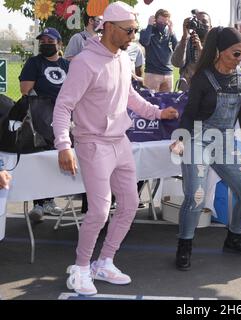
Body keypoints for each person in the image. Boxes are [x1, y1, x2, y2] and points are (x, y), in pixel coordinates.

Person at [53, 1, 178, 296]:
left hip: (120, 142)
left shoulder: (122, 58)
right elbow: (63, 105)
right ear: (108, 27)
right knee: (98, 211)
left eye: (135, 29)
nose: (133, 35)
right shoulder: (85, 62)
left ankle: (105, 261)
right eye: (129, 30)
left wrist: (158, 113)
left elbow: (129, 96)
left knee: (130, 204)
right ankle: (81, 268)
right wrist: (63, 145)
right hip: (93, 143)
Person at [171, 26, 241, 271]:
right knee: (196, 197)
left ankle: (234, 237)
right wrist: (180, 139)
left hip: (225, 142)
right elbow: (189, 114)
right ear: (220, 52)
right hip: (198, 139)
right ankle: (184, 246)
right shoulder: (203, 77)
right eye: (236, 54)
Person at [19, 27, 69, 222]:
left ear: (59, 44)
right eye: (43, 41)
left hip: (64, 118)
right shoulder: (34, 63)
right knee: (41, 160)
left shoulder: (67, 65)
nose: (46, 44)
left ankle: (50, 201)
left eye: (50, 41)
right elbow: (25, 90)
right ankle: (39, 204)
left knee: (57, 160)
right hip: (41, 117)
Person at [171, 10, 212, 91]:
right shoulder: (186, 41)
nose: (200, 24)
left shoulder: (215, 44)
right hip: (186, 90)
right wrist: (185, 37)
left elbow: (211, 66)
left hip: (207, 91)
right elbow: (177, 63)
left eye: (204, 21)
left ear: (210, 26)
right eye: (198, 21)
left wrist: (199, 47)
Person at [140, 9, 178, 92]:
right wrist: (150, 25)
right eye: (160, 22)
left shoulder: (169, 33)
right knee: (151, 101)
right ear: (155, 20)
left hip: (168, 74)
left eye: (165, 23)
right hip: (152, 73)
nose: (163, 25)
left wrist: (172, 32)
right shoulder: (146, 31)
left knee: (167, 102)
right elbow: (145, 42)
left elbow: (177, 50)